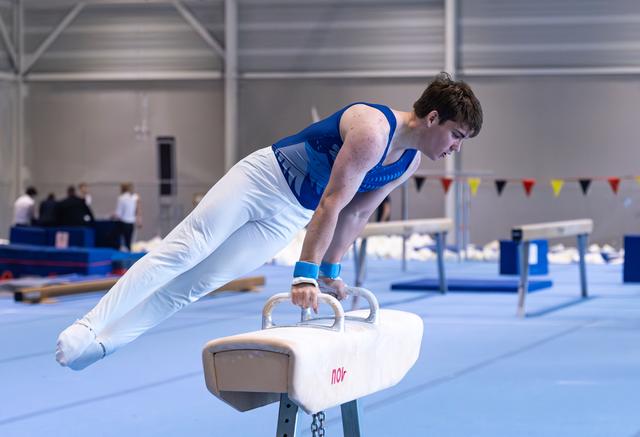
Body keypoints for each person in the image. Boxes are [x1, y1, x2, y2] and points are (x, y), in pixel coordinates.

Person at [55, 73, 482, 371]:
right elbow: (333, 203)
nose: (455, 149)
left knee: (199, 283)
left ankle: (105, 343)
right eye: (457, 136)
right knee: (185, 250)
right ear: (431, 119)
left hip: (290, 215)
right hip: (262, 179)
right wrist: (304, 276)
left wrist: (331, 272)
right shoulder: (373, 130)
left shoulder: (406, 164)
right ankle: (87, 325)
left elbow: (358, 212)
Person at [113, 182, 141, 251]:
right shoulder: (136, 197)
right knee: (129, 242)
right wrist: (139, 220)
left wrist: (113, 216)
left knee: (123, 242)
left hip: (123, 222)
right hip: (131, 222)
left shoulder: (121, 198)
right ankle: (128, 252)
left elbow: (118, 213)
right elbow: (138, 210)